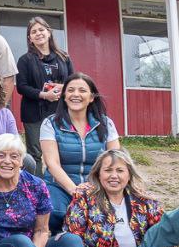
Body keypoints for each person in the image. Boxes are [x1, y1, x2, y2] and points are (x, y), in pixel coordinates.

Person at [40, 72, 121, 229]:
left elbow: (115, 159)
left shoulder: (105, 123)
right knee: (57, 213)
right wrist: (74, 190)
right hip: (60, 186)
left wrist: (96, 186)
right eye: (70, 90)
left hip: (97, 185)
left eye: (82, 90)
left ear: (91, 97)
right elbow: (52, 163)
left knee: (103, 216)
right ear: (64, 96)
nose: (75, 94)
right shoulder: (50, 123)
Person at [16, 16, 73, 172]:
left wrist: (63, 87)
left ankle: (61, 185)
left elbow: (73, 83)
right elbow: (21, 87)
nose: (38, 33)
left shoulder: (64, 57)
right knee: (35, 153)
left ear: (49, 32)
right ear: (30, 38)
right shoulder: (25, 60)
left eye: (41, 30)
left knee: (62, 151)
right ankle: (37, 189)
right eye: (34, 32)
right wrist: (43, 95)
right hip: (33, 113)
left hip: (60, 111)